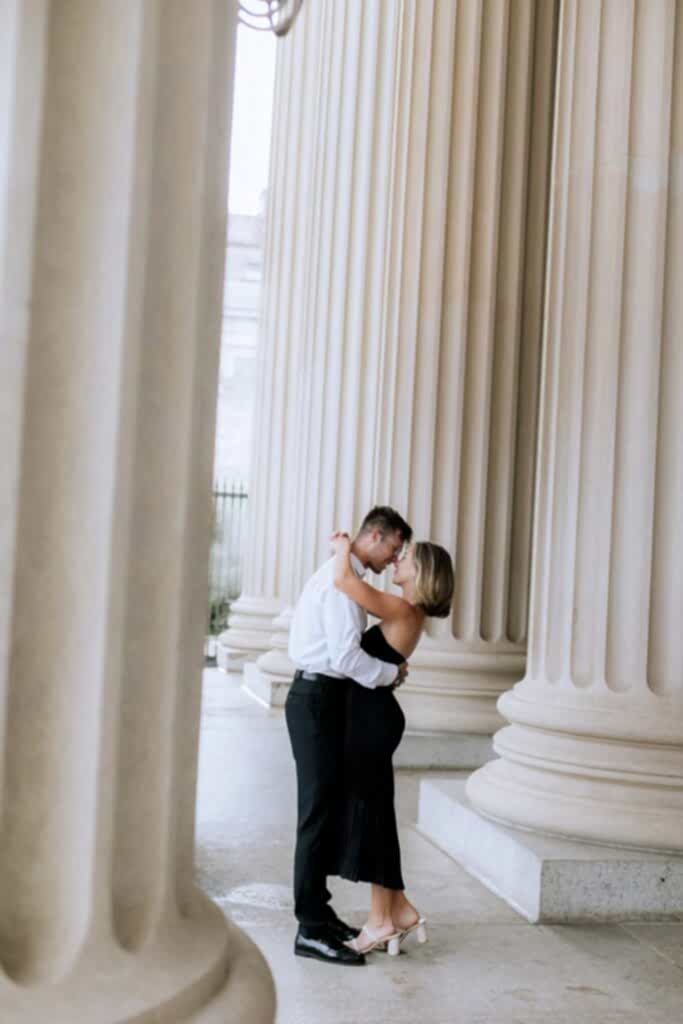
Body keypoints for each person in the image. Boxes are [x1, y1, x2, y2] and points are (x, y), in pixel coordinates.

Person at [285, 506, 413, 966]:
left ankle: (319, 912)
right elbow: (344, 657)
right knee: (316, 814)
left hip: (323, 701)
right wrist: (389, 673)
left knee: (327, 808)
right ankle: (309, 929)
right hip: (317, 700)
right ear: (375, 537)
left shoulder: (345, 574)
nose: (393, 558)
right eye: (394, 548)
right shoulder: (342, 585)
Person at [330, 529, 454, 956]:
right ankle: (395, 911)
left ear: (421, 573)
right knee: (376, 817)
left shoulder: (403, 609)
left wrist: (343, 550)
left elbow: (345, 583)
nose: (398, 559)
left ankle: (382, 920)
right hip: (373, 720)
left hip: (372, 724)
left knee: (372, 819)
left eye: (407, 557)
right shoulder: (406, 613)